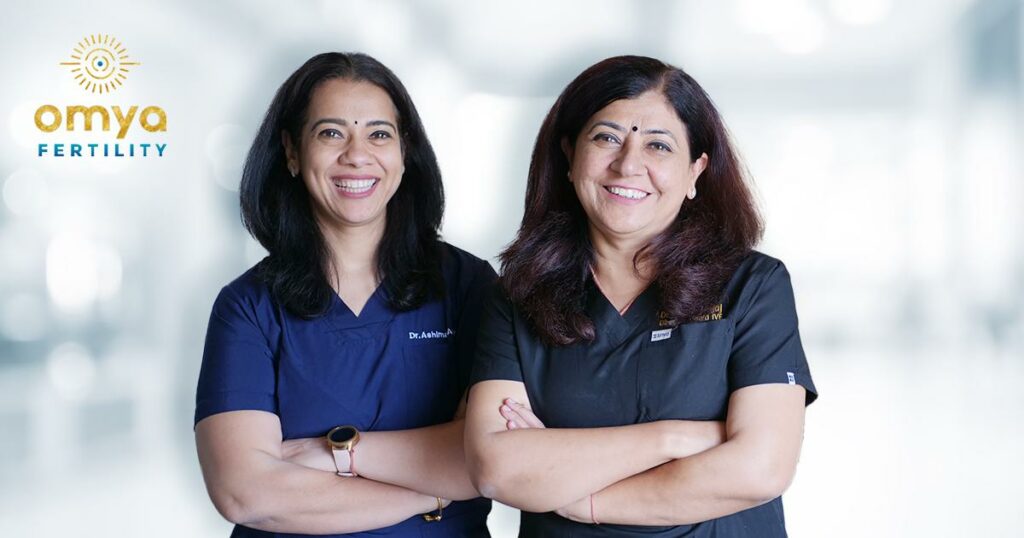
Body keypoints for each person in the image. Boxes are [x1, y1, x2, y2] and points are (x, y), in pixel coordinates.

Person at [464, 55, 818, 537]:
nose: (629, 164)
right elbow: (497, 468)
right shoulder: (518, 296)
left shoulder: (753, 286)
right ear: (569, 156)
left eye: (658, 145)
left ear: (695, 171)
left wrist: (584, 501)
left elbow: (761, 468)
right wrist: (673, 439)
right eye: (606, 138)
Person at [194, 52, 493, 537]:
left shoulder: (467, 286)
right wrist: (435, 493)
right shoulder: (248, 307)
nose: (357, 154)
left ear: (405, 152)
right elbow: (243, 493)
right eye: (331, 133)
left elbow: (495, 453)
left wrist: (327, 454)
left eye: (379, 134)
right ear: (292, 152)